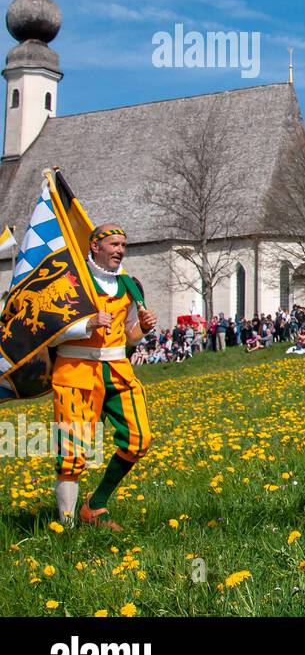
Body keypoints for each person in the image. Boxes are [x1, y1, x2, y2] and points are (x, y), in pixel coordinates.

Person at [49, 224, 157, 530]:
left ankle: (95, 505)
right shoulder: (70, 282)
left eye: (123, 244)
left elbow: (129, 335)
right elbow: (49, 333)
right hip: (75, 373)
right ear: (95, 246)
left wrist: (144, 329)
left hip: (117, 372)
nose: (120, 250)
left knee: (138, 440)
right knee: (71, 455)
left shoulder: (129, 284)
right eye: (114, 244)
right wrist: (87, 325)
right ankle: (67, 529)